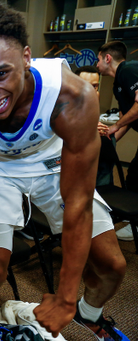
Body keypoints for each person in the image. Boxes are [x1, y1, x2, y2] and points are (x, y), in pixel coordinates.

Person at [0, 2, 128, 340]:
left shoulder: (72, 96)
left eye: (1, 74)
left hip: (52, 163)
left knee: (113, 265)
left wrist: (65, 297)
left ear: (26, 57)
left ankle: (87, 313)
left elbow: (77, 206)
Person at [97, 41, 138, 241]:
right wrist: (110, 141)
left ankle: (135, 224)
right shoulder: (117, 84)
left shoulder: (129, 70)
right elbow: (127, 117)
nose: (96, 65)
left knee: (137, 176)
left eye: (98, 59)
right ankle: (133, 221)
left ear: (108, 58)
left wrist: (113, 127)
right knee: (135, 175)